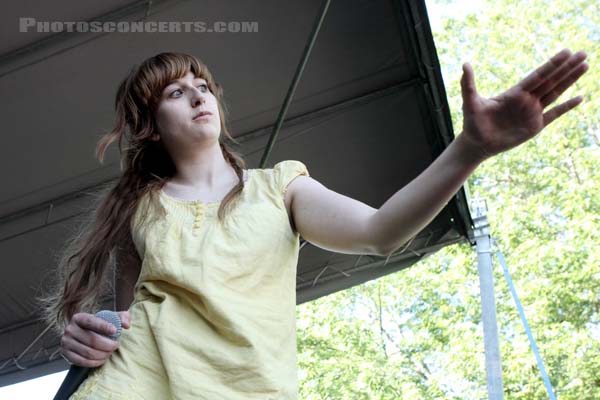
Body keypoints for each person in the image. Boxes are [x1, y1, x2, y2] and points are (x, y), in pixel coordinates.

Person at [41, 49, 588, 399]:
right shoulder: (140, 208)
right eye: (174, 93)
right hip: (136, 387)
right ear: (153, 128)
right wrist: (89, 334)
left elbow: (380, 232)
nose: (197, 96)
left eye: (202, 85)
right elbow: (126, 316)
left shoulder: (280, 186)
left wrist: (470, 149)